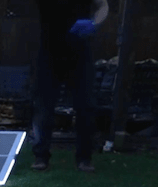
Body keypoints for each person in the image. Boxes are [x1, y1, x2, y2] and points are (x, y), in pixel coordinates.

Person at [31, 0, 109, 172]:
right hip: (49, 53)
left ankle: (84, 159)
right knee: (43, 106)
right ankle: (41, 157)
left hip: (80, 54)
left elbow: (103, 5)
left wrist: (94, 23)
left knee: (86, 106)